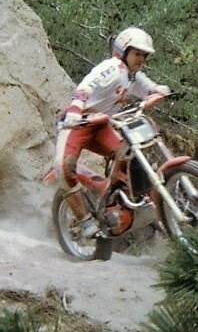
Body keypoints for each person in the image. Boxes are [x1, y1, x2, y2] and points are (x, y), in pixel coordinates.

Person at [54, 27, 170, 238]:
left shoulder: (132, 76)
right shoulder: (111, 68)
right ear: (123, 51)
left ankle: (122, 202)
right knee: (64, 167)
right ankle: (83, 220)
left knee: (128, 154)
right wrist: (75, 110)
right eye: (137, 53)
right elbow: (85, 87)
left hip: (102, 125)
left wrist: (160, 90)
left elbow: (149, 88)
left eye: (144, 55)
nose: (141, 59)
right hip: (78, 123)